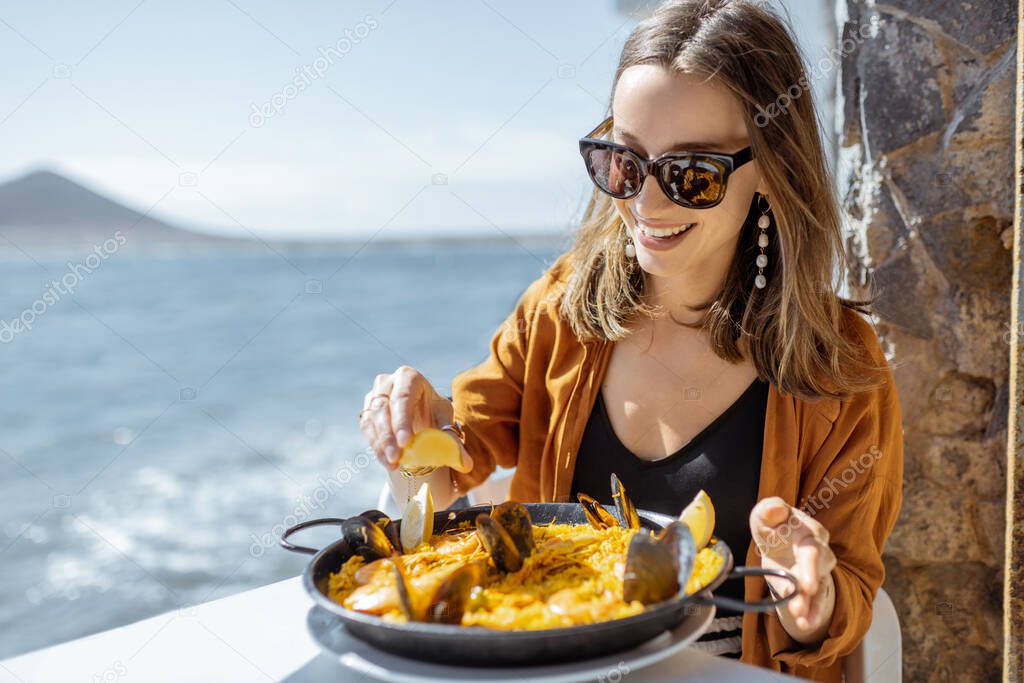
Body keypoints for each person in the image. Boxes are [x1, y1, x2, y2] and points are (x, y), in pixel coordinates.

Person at [358, 1, 903, 680]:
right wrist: (410, 425)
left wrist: (810, 595)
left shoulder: (841, 368)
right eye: (624, 162)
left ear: (769, 167)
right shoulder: (559, 314)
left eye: (692, 174)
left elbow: (852, 597)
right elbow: (446, 468)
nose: (647, 203)